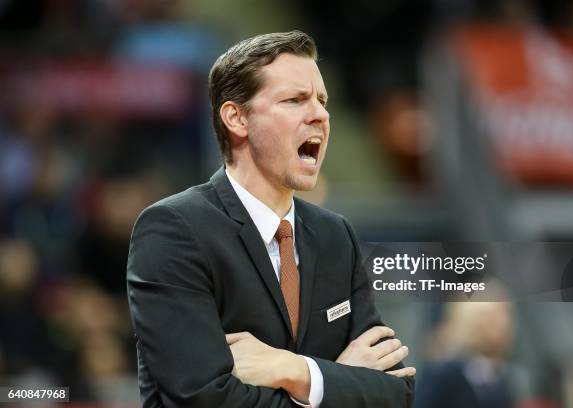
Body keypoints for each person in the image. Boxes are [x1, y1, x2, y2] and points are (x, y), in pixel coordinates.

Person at [126, 30, 416, 407]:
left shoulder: (335, 236)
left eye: (322, 100)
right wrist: (335, 381)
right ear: (237, 118)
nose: (320, 114)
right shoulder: (174, 230)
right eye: (296, 100)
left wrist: (295, 370)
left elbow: (396, 393)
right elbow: (203, 399)